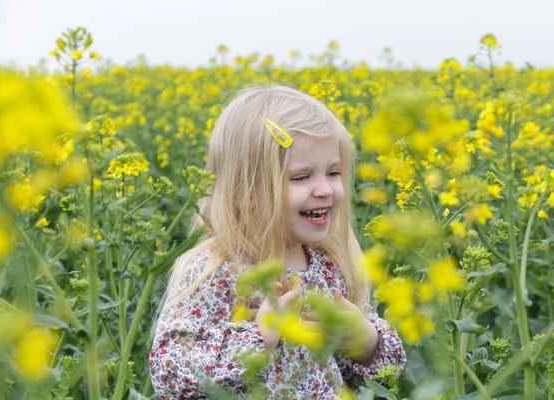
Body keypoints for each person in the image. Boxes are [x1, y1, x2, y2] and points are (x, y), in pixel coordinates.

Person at [149, 85, 406, 399]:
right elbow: (172, 377)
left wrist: (365, 343)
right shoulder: (215, 271)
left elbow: (381, 376)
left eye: (333, 172)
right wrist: (260, 335)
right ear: (244, 188)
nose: (325, 189)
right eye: (301, 177)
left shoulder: (329, 268)